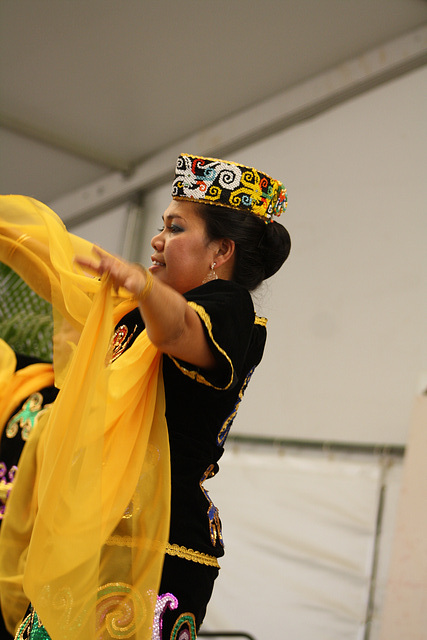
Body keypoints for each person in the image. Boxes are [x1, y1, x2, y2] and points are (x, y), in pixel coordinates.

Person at [0, 153, 291, 640]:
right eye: (161, 226)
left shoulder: (229, 309)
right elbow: (55, 264)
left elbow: (178, 329)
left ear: (220, 252)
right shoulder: (132, 310)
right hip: (95, 538)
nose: (157, 241)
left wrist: (140, 285)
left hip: (158, 548)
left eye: (176, 229)